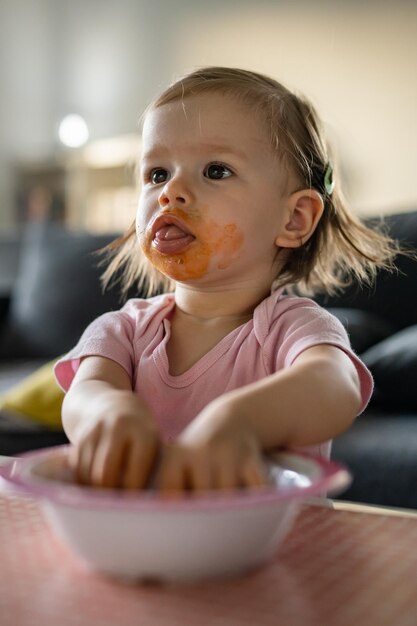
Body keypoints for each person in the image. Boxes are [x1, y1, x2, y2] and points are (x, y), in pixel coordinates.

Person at [55, 66, 399, 492]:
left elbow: (334, 387)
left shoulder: (293, 328)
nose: (170, 191)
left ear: (294, 218)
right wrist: (108, 413)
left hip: (278, 547)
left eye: (216, 170)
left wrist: (238, 422)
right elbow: (83, 395)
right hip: (145, 545)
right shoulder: (122, 331)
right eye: (157, 173)